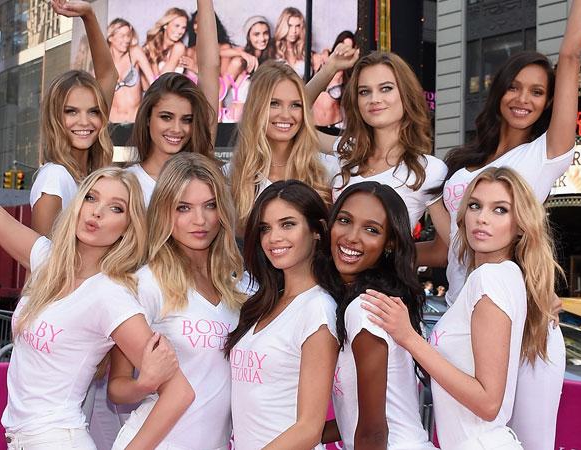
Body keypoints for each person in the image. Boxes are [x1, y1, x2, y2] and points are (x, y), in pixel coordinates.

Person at [0, 36, 194, 448]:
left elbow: (180, 393)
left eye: (115, 208)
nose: (96, 212)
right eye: (91, 197)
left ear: (128, 227)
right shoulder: (45, 256)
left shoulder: (112, 296)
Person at [412, 3, 581, 448]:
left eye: (536, 92)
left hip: (522, 325)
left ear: (550, 101)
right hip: (459, 319)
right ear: (498, 93)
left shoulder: (543, 156)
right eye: (514, 87)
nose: (523, 99)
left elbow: (569, 58)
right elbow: (443, 249)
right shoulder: (464, 163)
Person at [363, 167, 562, 450]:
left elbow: (488, 402)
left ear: (520, 224)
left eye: (500, 210)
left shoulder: (490, 279)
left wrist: (409, 338)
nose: (482, 218)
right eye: (475, 205)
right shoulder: (507, 276)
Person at [111, 153, 245, 449]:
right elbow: (117, 387)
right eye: (184, 208)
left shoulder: (240, 286)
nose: (200, 220)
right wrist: (144, 383)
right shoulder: (147, 284)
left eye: (210, 205)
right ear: (164, 212)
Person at [225, 180, 338, 449]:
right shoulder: (263, 303)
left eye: (288, 224)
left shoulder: (318, 309)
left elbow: (309, 428)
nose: (273, 238)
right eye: (265, 228)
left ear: (317, 231)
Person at [321, 182, 434, 449]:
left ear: (389, 243)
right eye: (344, 220)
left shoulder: (365, 307)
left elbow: (373, 431)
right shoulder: (364, 300)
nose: (351, 237)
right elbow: (354, 419)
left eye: (371, 230)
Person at [311, 51, 446, 228]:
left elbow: (447, 248)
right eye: (364, 91)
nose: (374, 99)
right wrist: (330, 68)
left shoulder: (428, 170)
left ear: (406, 94)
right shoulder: (348, 151)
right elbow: (291, 118)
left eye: (386, 88)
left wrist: (396, 255)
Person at [31, 0, 119, 236]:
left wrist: (88, 15)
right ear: (55, 118)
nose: (84, 122)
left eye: (93, 111)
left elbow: (109, 75)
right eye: (71, 111)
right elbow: (41, 265)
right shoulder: (55, 178)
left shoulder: (89, 175)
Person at [126, 0, 220, 208]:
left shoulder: (202, 168)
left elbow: (210, 67)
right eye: (166, 117)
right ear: (148, 117)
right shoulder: (126, 184)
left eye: (187, 119)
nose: (177, 129)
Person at [227, 60, 336, 230]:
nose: (286, 115)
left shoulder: (327, 170)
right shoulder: (230, 176)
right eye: (274, 103)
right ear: (256, 108)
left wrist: (332, 67)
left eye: (295, 105)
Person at [106, 18, 156, 125]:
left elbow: (154, 83)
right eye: (122, 36)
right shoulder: (103, 61)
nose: (127, 40)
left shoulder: (135, 52)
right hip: (111, 123)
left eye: (128, 35)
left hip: (136, 121)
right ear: (111, 37)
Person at [311, 31, 358, 128]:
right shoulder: (322, 62)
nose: (344, 51)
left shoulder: (348, 76)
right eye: (343, 46)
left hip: (335, 127)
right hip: (314, 125)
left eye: (349, 48)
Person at [145, 8, 190, 76]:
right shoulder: (153, 46)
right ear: (165, 25)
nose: (180, 31)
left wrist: (153, 60)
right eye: (177, 26)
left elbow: (163, 79)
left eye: (183, 27)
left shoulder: (179, 47)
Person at [274, 7, 309, 78]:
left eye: (298, 26)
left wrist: (325, 52)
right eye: (290, 26)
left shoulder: (304, 50)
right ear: (282, 26)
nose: (294, 31)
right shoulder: (271, 48)